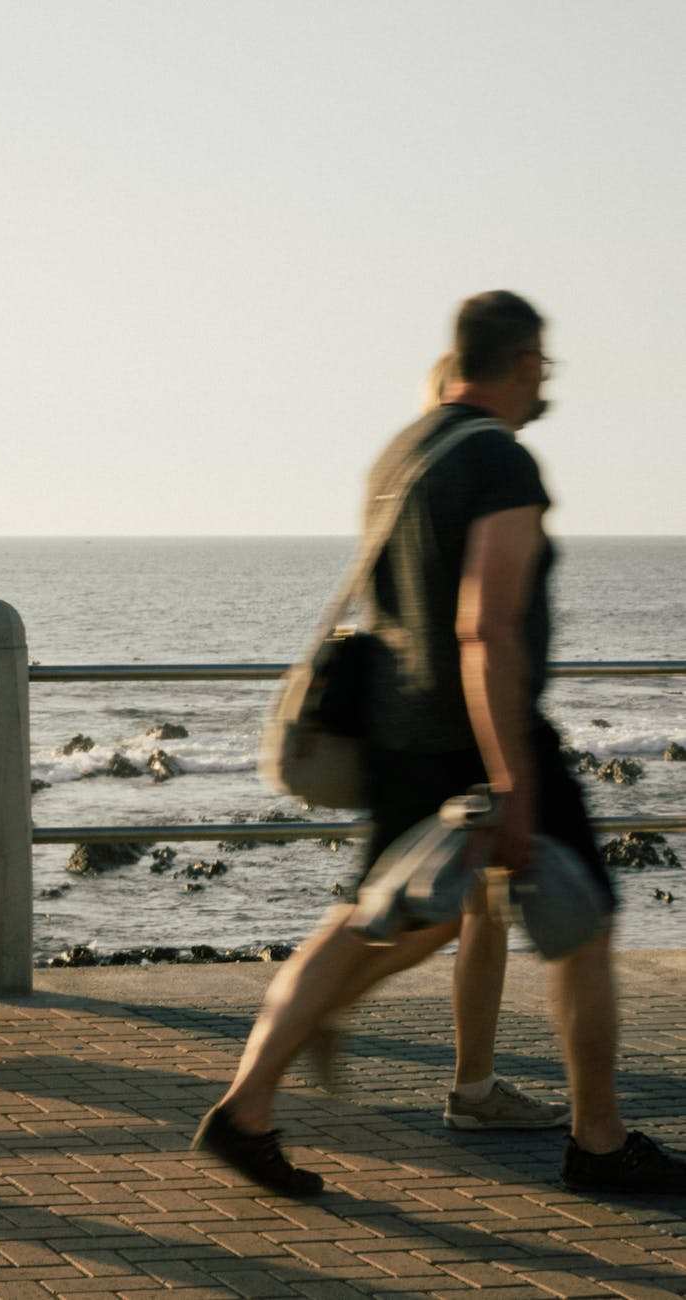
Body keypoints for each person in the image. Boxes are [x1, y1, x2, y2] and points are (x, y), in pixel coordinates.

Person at [195, 290, 686, 1197]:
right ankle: (602, 1142)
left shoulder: (401, 455)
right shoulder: (501, 461)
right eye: (545, 364)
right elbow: (482, 627)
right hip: (486, 733)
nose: (547, 382)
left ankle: (245, 1107)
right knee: (585, 926)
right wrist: (511, 774)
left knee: (372, 922)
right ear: (525, 359)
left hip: (400, 729)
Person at [303, 348, 569, 1134]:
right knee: (425, 913)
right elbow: (476, 623)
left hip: (422, 724)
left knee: (467, 911)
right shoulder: (479, 463)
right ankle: (311, 1020)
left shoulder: (407, 465)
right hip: (452, 734)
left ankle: (474, 1085)